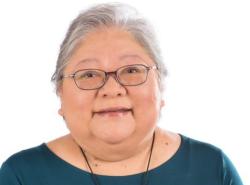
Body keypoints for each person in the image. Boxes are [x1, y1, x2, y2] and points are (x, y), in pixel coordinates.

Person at [0, 3, 243, 185]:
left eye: (131, 70)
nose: (112, 89)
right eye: (89, 74)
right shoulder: (21, 175)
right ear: (60, 93)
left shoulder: (211, 168)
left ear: (161, 86)